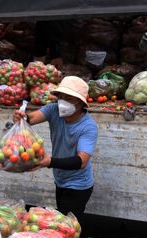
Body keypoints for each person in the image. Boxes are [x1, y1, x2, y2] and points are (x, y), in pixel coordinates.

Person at [14, 76, 98, 221]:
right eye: (61, 97)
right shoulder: (54, 110)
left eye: (69, 98)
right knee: (61, 223)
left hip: (78, 186)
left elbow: (81, 161)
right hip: (60, 180)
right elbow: (31, 118)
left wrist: (49, 162)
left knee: (67, 228)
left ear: (80, 103)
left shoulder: (88, 126)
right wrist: (22, 117)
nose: (63, 102)